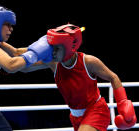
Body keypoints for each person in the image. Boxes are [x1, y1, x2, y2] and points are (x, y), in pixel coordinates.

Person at [9, 24, 137, 131]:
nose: (52, 52)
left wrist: (122, 103)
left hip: (96, 111)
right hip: (75, 116)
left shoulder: (88, 62)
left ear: (69, 47)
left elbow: (113, 77)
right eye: (52, 48)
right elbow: (22, 63)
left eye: (57, 48)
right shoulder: (53, 63)